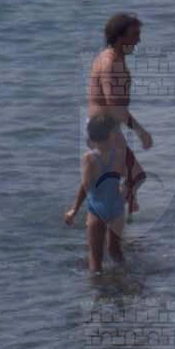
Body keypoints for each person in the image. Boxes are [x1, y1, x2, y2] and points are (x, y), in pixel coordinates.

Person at [89, 13, 153, 215]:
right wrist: (141, 132)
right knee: (136, 176)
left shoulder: (113, 57)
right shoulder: (110, 63)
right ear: (119, 37)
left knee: (124, 179)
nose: (138, 40)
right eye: (134, 35)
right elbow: (114, 105)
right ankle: (109, 215)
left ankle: (110, 214)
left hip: (105, 128)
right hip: (103, 130)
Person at [63, 114, 128, 275]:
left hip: (97, 208)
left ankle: (97, 287)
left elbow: (85, 186)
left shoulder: (89, 158)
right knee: (115, 249)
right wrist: (125, 194)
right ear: (111, 134)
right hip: (117, 207)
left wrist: (74, 209)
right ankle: (126, 276)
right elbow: (128, 178)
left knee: (95, 257)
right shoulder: (120, 154)